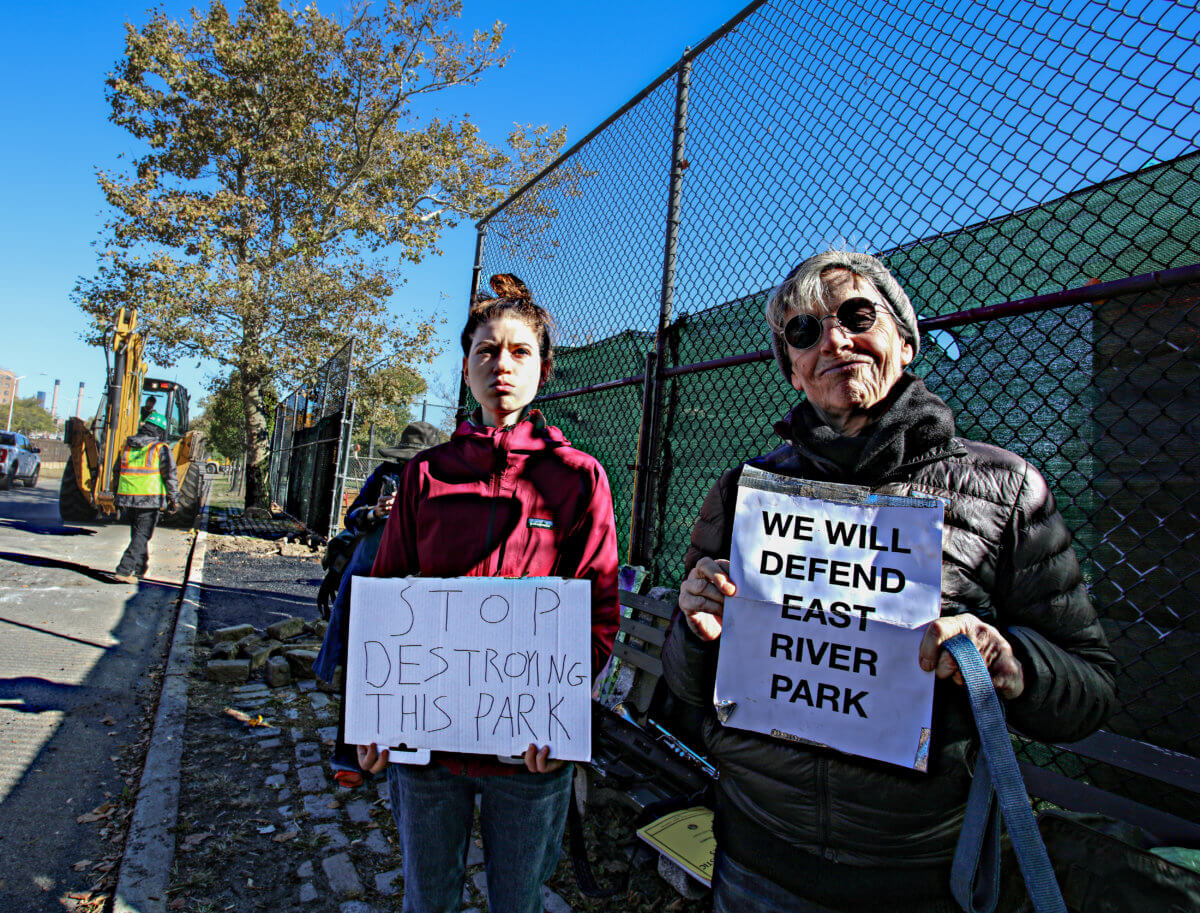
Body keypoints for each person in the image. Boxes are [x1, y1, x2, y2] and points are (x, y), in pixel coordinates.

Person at [663, 250, 1118, 913]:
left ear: (905, 341)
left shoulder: (1005, 490)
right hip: (755, 858)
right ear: (793, 369)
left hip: (921, 879)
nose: (834, 341)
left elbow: (1090, 690)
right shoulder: (741, 493)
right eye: (804, 331)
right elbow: (685, 683)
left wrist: (1009, 663)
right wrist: (696, 630)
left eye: (857, 315)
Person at [357, 273, 621, 913]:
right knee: (428, 898)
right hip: (429, 751)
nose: (502, 364)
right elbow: (386, 595)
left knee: (518, 901)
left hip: (529, 755)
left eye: (520, 351)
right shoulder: (425, 474)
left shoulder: (578, 478)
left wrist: (557, 715)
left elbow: (598, 610)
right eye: (487, 350)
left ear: (544, 370)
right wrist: (373, 718)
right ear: (466, 367)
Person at [313, 420, 447, 787]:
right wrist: (375, 512)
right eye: (404, 460)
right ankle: (348, 756)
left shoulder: (445, 480)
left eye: (414, 460)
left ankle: (398, 752)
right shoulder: (384, 474)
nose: (407, 466)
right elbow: (352, 516)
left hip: (417, 586)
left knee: (409, 669)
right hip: (370, 579)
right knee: (360, 667)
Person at [112, 411, 178, 583]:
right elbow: (170, 475)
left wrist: (116, 495)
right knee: (142, 535)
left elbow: (117, 472)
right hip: (149, 498)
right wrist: (173, 499)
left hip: (127, 497)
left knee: (138, 533)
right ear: (160, 431)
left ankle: (140, 568)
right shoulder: (160, 448)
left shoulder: (127, 446)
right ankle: (124, 570)